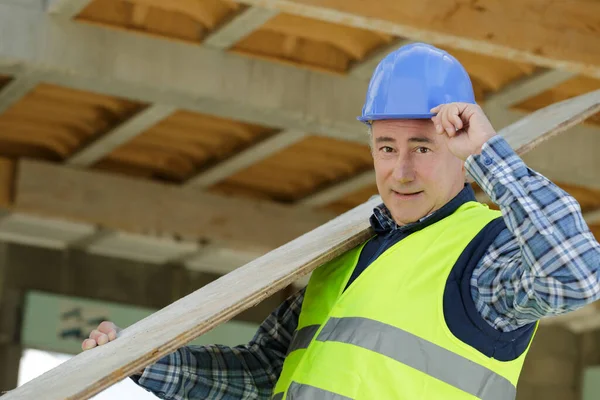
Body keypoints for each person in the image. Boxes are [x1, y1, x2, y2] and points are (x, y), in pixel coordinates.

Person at [82, 43, 600, 399]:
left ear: (461, 149)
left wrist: (491, 151)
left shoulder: (483, 258)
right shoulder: (343, 257)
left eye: (423, 146)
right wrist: (142, 364)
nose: (402, 170)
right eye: (386, 147)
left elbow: (578, 274)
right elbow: (264, 375)